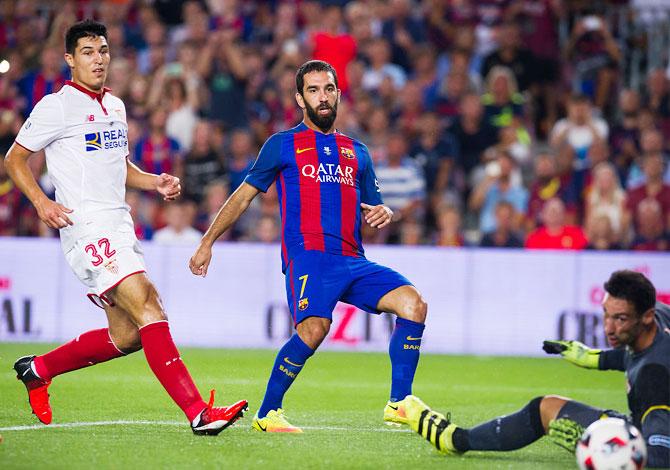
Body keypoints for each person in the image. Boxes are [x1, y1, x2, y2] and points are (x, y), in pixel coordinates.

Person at [4, 20, 247, 435]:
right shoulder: (56, 106)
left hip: (119, 223)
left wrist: (154, 181)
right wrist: (42, 203)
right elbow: (14, 159)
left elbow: (118, 167)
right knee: (149, 304)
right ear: (70, 59)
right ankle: (198, 413)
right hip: (86, 227)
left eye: (102, 50)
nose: (98, 59)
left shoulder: (114, 107)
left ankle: (38, 369)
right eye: (87, 52)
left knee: (129, 336)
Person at [189, 60, 428, 433]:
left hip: (353, 259)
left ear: (338, 94)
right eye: (313, 90)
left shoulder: (358, 152)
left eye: (329, 89)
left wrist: (385, 213)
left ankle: (398, 403)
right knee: (314, 328)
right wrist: (207, 242)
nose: (323, 97)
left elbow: (373, 205)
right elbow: (242, 197)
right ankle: (268, 413)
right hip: (310, 257)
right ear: (300, 98)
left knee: (413, 304)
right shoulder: (282, 145)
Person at [401, 270, 670, 468]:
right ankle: (454, 439)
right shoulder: (658, 315)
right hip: (642, 425)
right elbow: (631, 354)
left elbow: (659, 459)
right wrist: (591, 357)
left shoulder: (653, 378)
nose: (608, 327)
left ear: (646, 317)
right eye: (606, 314)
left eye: (620, 319)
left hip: (651, 438)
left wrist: (589, 441)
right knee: (546, 407)